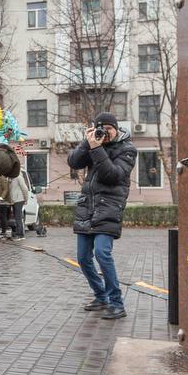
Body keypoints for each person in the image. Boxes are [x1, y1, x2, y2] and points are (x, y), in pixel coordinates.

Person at [67, 112, 137, 320]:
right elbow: (74, 162)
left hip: (109, 209)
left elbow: (112, 175)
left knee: (102, 254)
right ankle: (101, 296)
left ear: (116, 129)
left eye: (109, 129)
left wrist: (97, 149)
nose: (104, 133)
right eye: (101, 129)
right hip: (87, 208)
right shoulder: (93, 143)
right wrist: (86, 143)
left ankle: (117, 303)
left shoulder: (128, 149)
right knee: (82, 258)